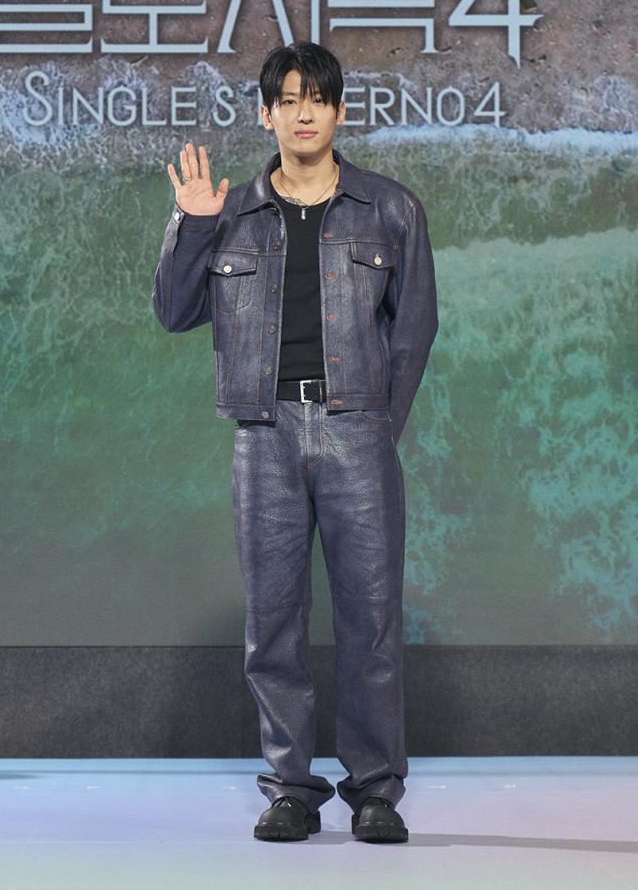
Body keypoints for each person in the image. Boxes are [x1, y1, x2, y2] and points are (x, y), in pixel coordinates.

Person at [152, 41, 439, 843]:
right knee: (272, 623)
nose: (303, 112)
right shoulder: (229, 212)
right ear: (265, 114)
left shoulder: (391, 208)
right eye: (288, 99)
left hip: (357, 430)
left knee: (370, 620)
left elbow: (414, 329)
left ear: (339, 111)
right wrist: (191, 224)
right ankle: (290, 788)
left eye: (317, 98)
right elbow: (173, 311)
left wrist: (377, 425)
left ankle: (375, 790)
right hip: (265, 435)